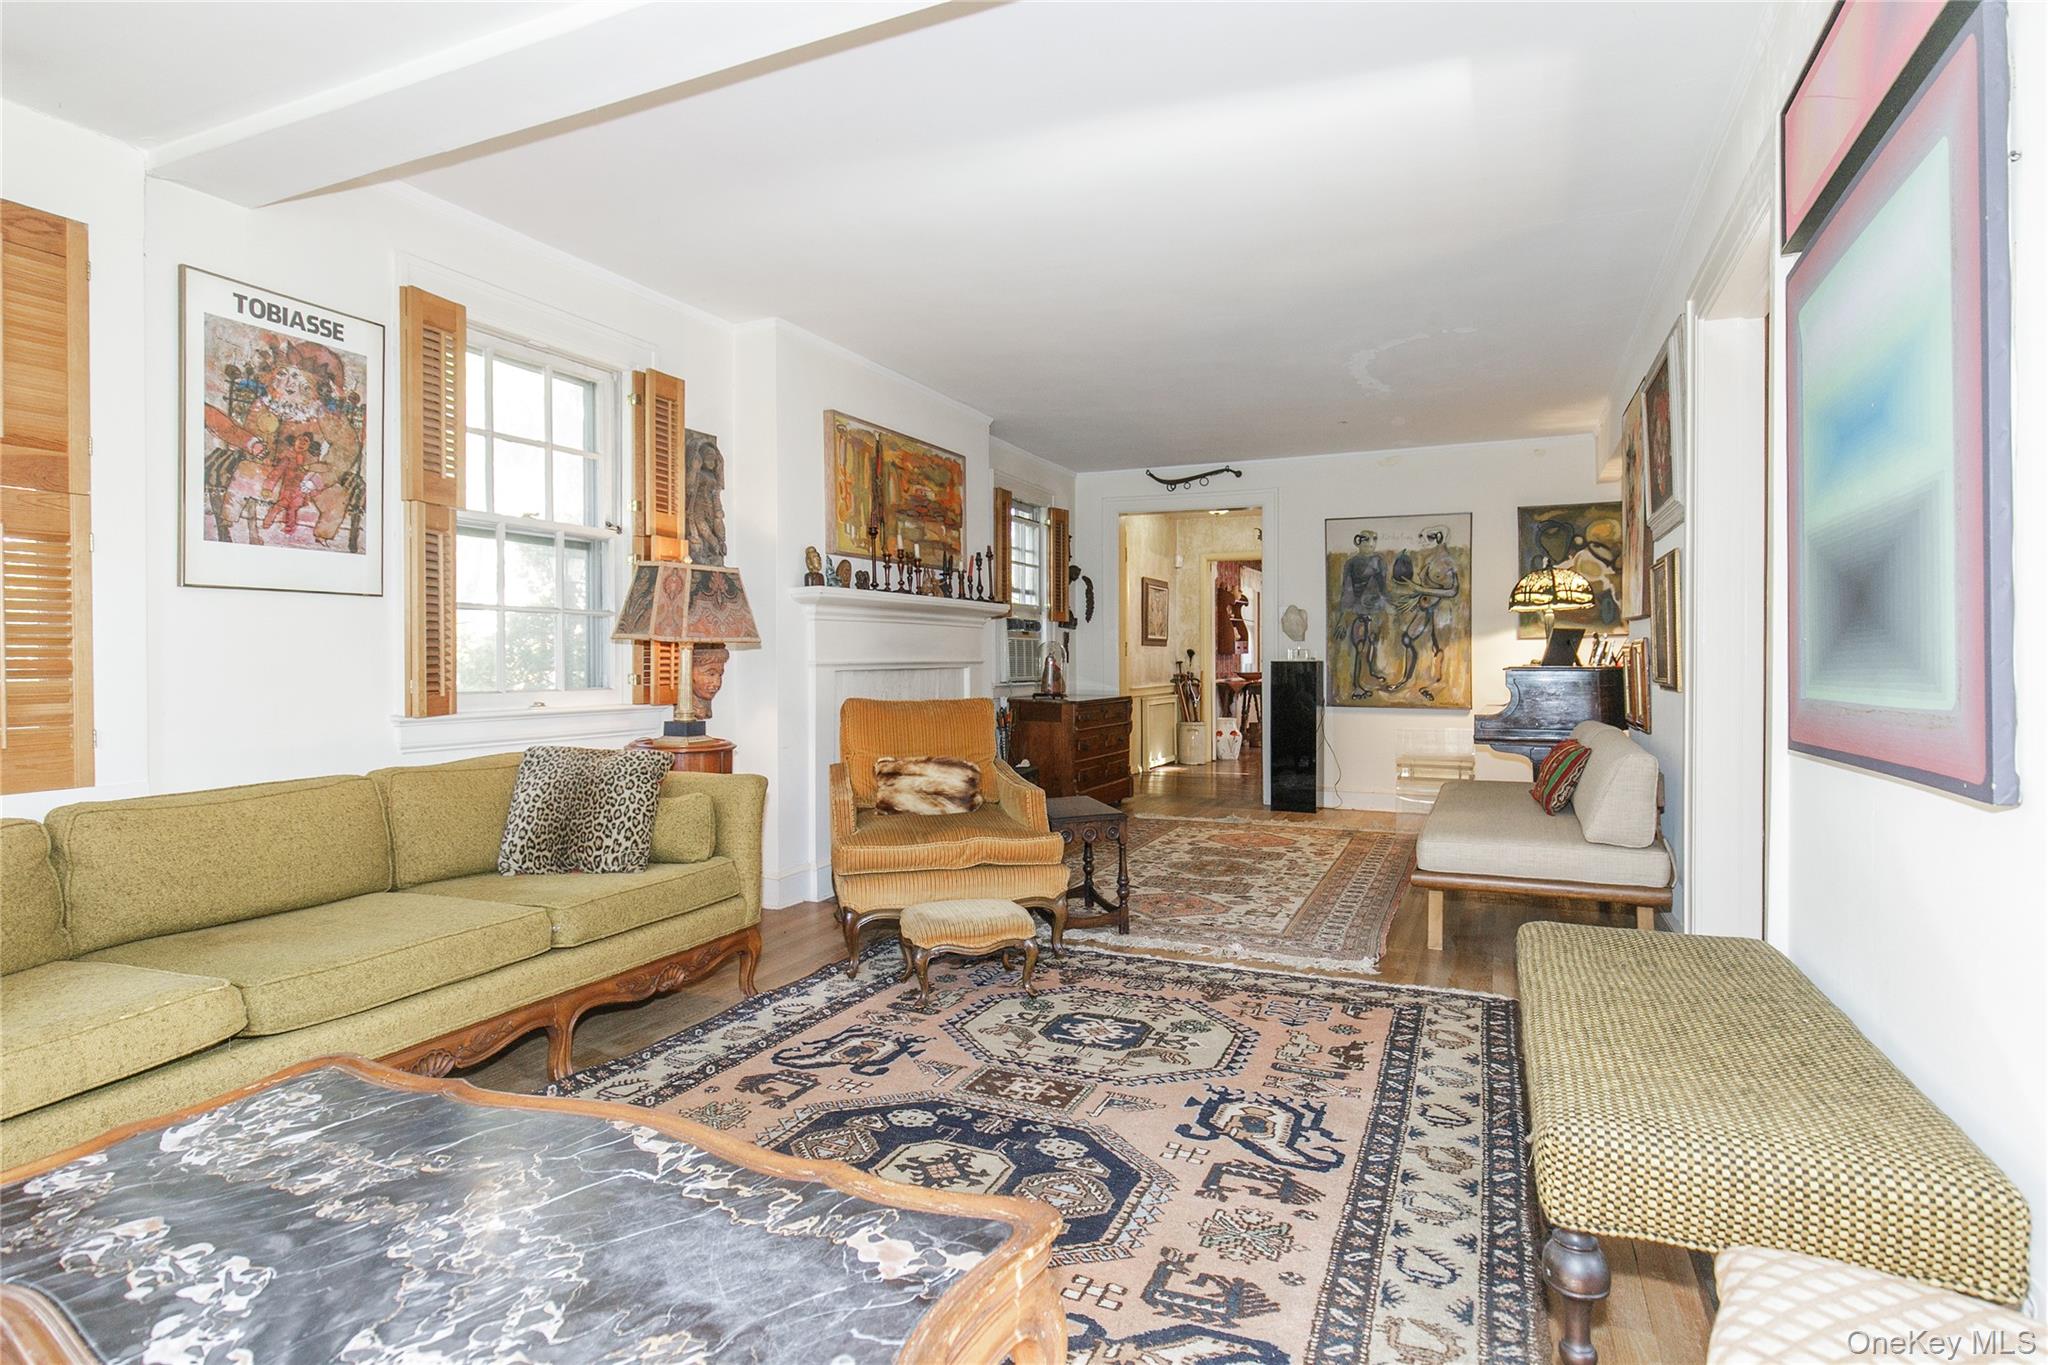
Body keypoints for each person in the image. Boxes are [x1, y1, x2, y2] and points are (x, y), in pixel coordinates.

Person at [1389, 525, 1460, 700]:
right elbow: (1427, 585)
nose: (1421, 541)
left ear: (1439, 538)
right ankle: (1406, 679)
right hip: (1424, 606)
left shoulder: (1447, 562)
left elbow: (1453, 591)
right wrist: (1415, 595)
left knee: (1438, 646)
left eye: (1426, 537)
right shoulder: (1429, 559)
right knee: (1407, 638)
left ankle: (1437, 683)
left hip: (1441, 609)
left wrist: (1420, 589)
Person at [1337, 529, 1390, 699]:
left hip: (1376, 609)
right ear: (1358, 542)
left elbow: (1383, 587)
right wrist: (1342, 618)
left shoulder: (1379, 561)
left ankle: (1370, 674)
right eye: (1366, 540)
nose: (1371, 544)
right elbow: (1347, 590)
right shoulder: (1351, 563)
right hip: (1358, 610)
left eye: (1374, 540)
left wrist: (1389, 604)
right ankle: (1356, 686)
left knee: (1373, 642)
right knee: (1360, 647)